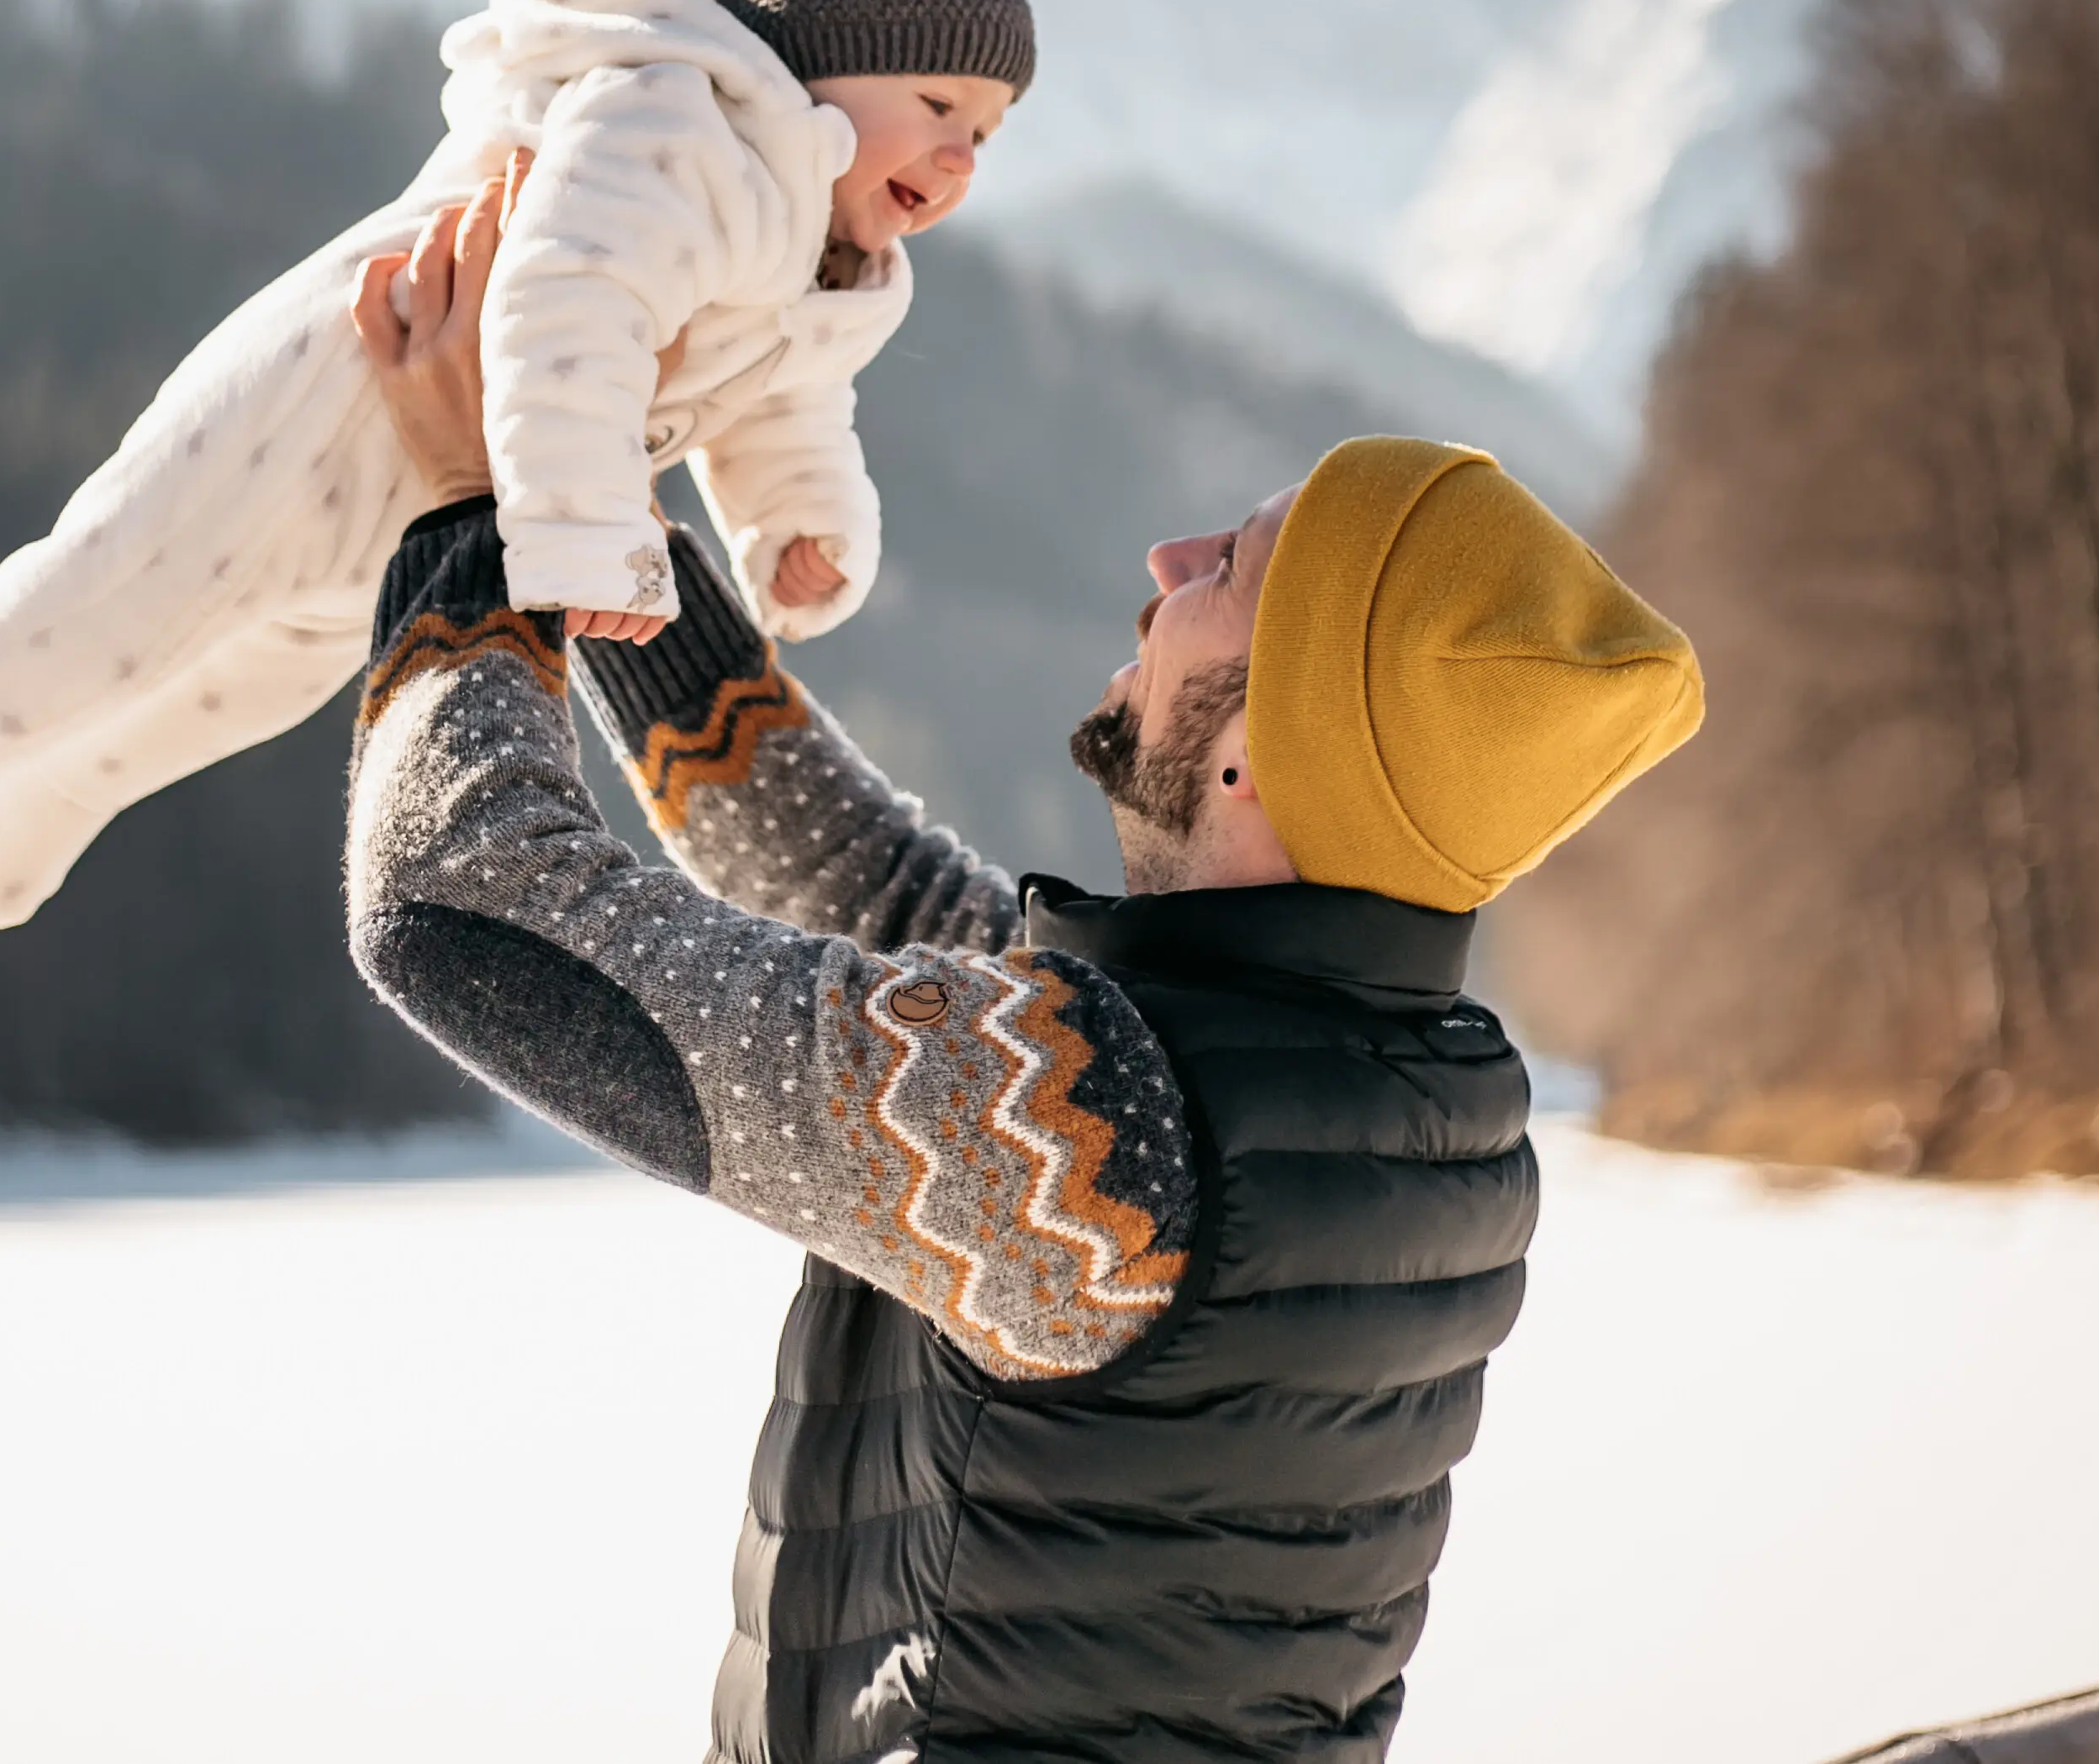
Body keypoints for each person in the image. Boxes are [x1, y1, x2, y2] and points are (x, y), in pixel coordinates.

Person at [345, 172, 1704, 1764]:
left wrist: (456, 523)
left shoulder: (1090, 1138)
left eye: (1230, 571)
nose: (1166, 554)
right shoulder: (1401, 1090)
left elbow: (464, 906)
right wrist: (599, 529)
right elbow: (882, 897)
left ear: (1270, 749)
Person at [0, 0, 1031, 943]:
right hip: (325, 398)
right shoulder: (677, 123)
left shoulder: (830, 265)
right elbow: (566, 300)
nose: (963, 155)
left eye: (985, 130)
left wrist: (798, 528)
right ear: (823, 54)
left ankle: (50, 786)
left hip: (424, 498)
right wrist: (590, 531)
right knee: (120, 591)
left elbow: (788, 405)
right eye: (938, 105)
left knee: (251, 683)